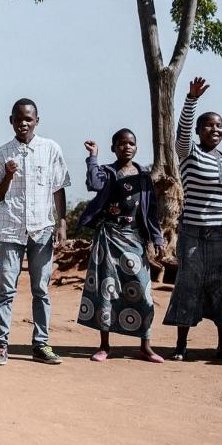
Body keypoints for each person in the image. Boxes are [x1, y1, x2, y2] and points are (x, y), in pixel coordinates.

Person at [163, 77, 222, 362]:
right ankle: (181, 345)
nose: (214, 129)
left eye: (219, 126)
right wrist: (191, 100)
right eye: (208, 125)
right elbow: (180, 134)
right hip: (193, 234)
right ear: (198, 131)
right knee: (188, 285)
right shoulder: (189, 153)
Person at [0, 97, 71, 366]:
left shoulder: (50, 149)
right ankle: (1, 345)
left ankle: (41, 344)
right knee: (6, 290)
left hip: (43, 229)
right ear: (10, 120)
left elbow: (58, 187)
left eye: (28, 118)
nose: (23, 123)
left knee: (41, 289)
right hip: (11, 229)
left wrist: (62, 222)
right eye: (18, 118)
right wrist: (8, 175)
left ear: (37, 120)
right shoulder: (1, 154)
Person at [76, 131, 164, 363]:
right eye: (121, 143)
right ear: (114, 148)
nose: (127, 147)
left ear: (137, 147)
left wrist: (157, 238)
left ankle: (146, 346)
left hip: (135, 240)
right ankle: (105, 346)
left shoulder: (144, 177)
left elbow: (151, 211)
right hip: (109, 238)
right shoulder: (107, 171)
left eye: (131, 143)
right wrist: (93, 157)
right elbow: (94, 183)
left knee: (143, 293)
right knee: (107, 291)